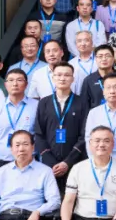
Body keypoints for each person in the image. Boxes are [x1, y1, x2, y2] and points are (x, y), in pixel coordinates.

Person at [33, 62, 88, 193]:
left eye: (67, 75)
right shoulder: (44, 103)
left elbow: (85, 135)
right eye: (58, 75)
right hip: (49, 165)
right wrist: (50, 161)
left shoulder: (82, 102)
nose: (62, 78)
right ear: (53, 78)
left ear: (73, 78)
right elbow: (39, 134)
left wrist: (67, 162)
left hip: (75, 162)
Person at [0, 69, 38, 178]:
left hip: (29, 161)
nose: (15, 84)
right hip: (3, 161)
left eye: (19, 80)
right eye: (11, 80)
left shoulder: (37, 106)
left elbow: (40, 137)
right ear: (5, 84)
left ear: (26, 84)